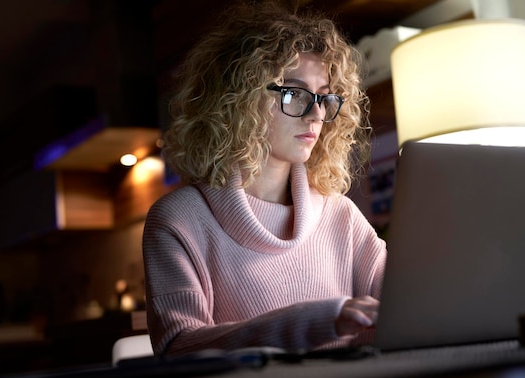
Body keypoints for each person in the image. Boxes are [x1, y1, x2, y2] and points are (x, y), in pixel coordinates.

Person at [142, 1, 387, 356]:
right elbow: (180, 347)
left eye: (324, 96)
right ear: (238, 99)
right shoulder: (178, 220)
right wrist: (321, 320)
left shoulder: (341, 216)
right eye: (294, 93)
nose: (316, 114)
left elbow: (407, 305)